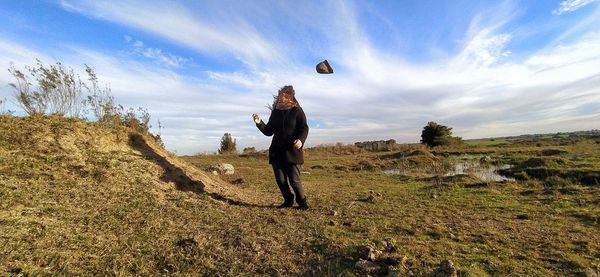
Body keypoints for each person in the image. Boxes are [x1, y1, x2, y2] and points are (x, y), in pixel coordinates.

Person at [252, 85, 309, 209]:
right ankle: (288, 201)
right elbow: (268, 131)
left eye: (284, 95)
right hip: (277, 152)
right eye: (280, 95)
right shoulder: (276, 113)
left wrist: (301, 140)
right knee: (281, 180)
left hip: (292, 151)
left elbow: (304, 127)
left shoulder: (297, 110)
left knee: (294, 180)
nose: (281, 97)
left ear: (290, 97)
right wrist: (259, 123)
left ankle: (302, 203)